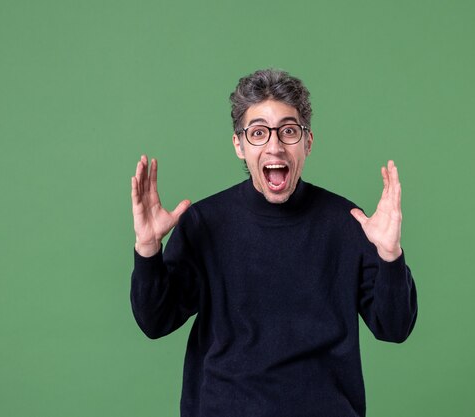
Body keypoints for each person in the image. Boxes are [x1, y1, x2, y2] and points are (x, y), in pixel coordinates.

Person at [130, 69, 418, 417]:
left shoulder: (348, 223)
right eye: (258, 133)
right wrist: (148, 250)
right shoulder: (204, 223)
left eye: (289, 130)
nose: (275, 145)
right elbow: (155, 322)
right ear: (239, 144)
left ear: (308, 141)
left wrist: (390, 256)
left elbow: (394, 327)